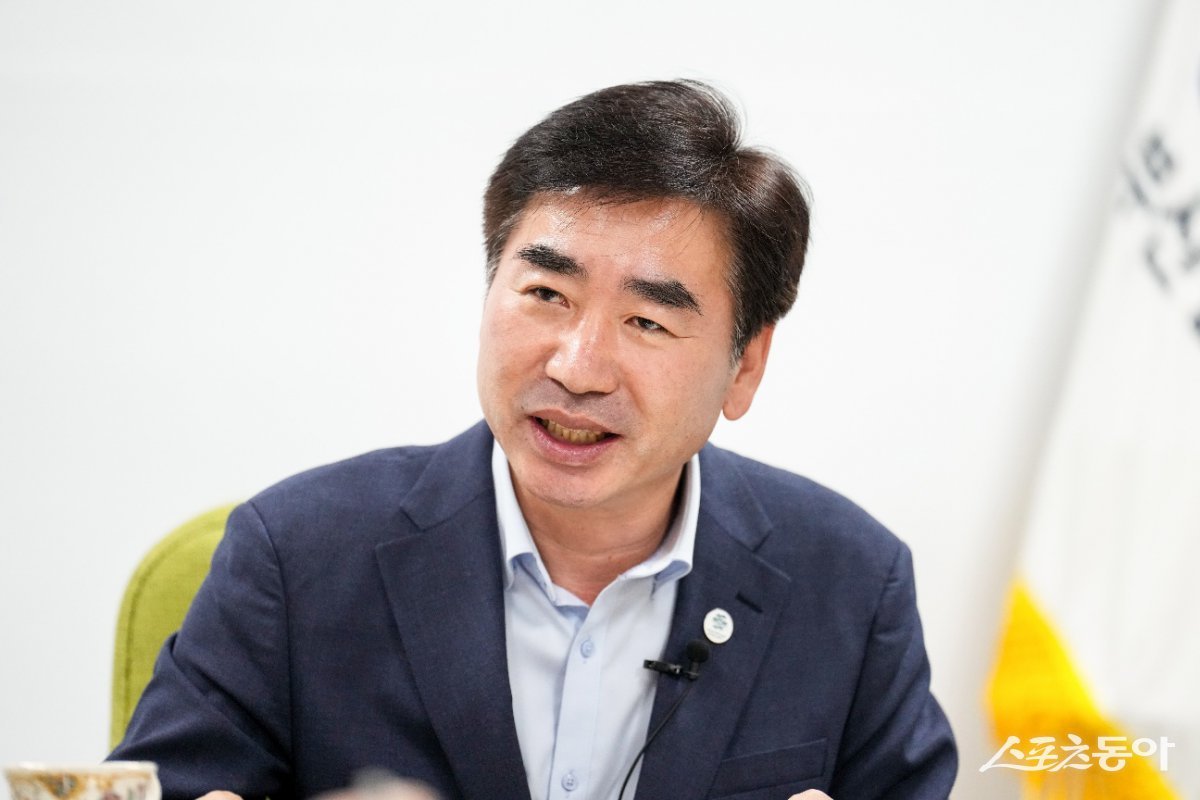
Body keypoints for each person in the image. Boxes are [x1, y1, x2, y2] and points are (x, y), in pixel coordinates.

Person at [111, 80, 957, 800]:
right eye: (547, 294)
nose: (578, 368)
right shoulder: (296, 555)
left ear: (746, 365)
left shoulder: (850, 585)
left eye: (647, 321)